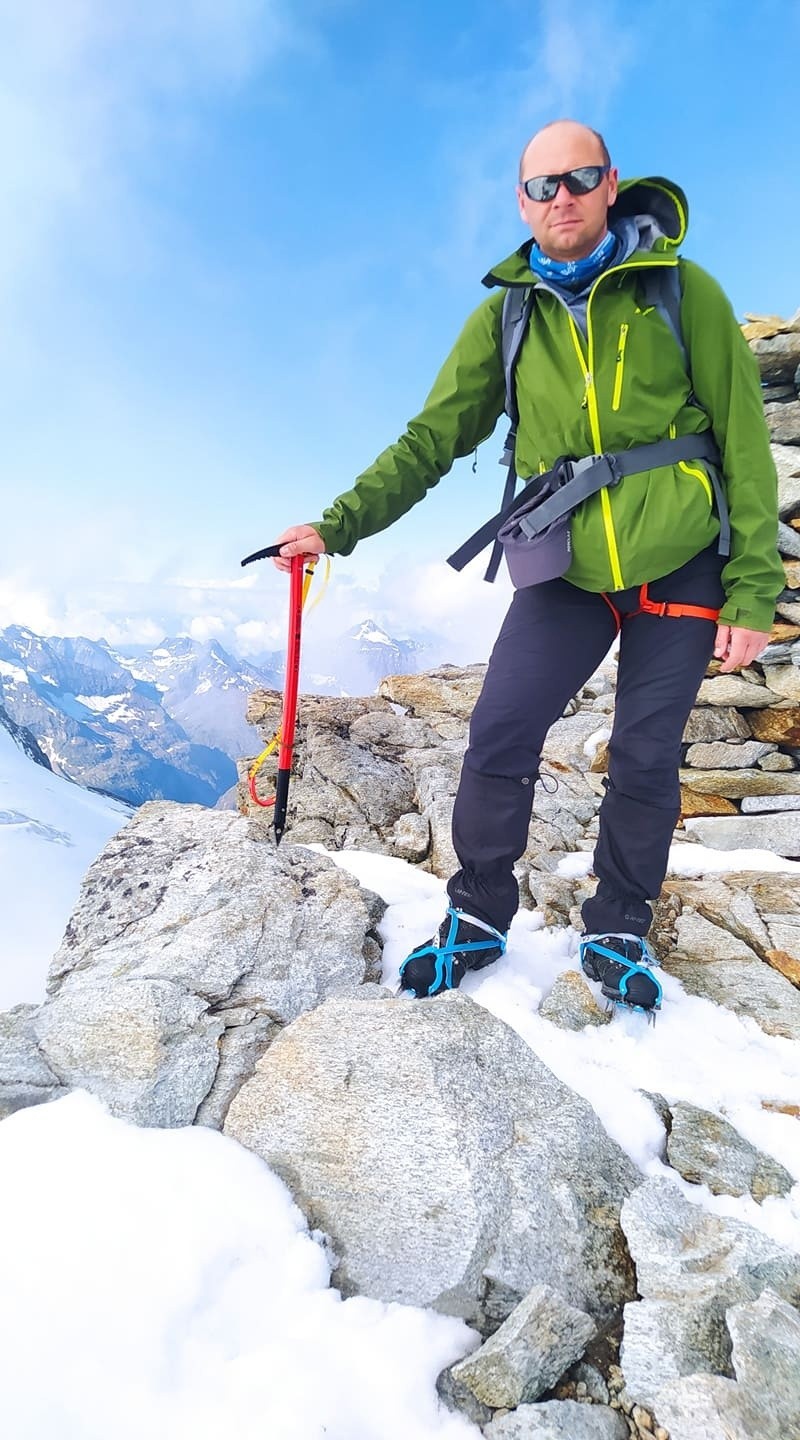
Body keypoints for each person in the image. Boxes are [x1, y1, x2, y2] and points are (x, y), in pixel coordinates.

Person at [271, 119, 783, 1012]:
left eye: (578, 179)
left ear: (611, 183)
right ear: (521, 200)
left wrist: (751, 587)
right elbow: (433, 440)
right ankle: (477, 913)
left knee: (644, 755)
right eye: (542, 186)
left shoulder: (679, 289)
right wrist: (338, 525)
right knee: (501, 734)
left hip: (681, 562)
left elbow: (743, 438)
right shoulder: (508, 314)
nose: (562, 199)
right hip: (570, 569)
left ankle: (619, 923)